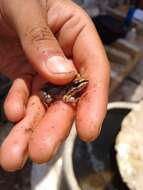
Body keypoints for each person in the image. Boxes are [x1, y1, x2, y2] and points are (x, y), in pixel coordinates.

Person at [0, 0, 110, 171]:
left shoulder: (75, 87)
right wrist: (72, 99)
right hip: (50, 92)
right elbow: (66, 97)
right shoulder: (71, 91)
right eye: (81, 83)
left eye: (81, 83)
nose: (83, 84)